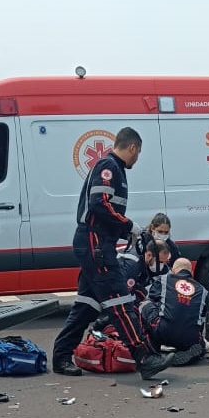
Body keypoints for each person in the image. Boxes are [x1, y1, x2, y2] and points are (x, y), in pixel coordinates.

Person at [52, 127, 174, 379]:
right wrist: (129, 226)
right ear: (132, 148)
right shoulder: (109, 167)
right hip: (96, 244)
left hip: (96, 243)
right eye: (138, 153)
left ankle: (61, 356)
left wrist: (124, 231)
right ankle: (145, 357)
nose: (137, 158)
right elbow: (101, 205)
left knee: (88, 305)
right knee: (120, 301)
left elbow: (105, 211)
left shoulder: (112, 168)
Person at [141, 258, 208, 366]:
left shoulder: (164, 280)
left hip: (164, 332)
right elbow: (202, 322)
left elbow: (153, 299)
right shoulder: (203, 290)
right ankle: (197, 349)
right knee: (197, 337)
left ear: (173, 270)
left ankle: (151, 350)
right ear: (191, 272)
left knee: (146, 304)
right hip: (190, 337)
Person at [119, 238, 171, 305]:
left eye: (164, 262)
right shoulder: (133, 265)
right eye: (160, 262)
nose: (162, 265)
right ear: (149, 255)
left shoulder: (146, 258)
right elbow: (124, 296)